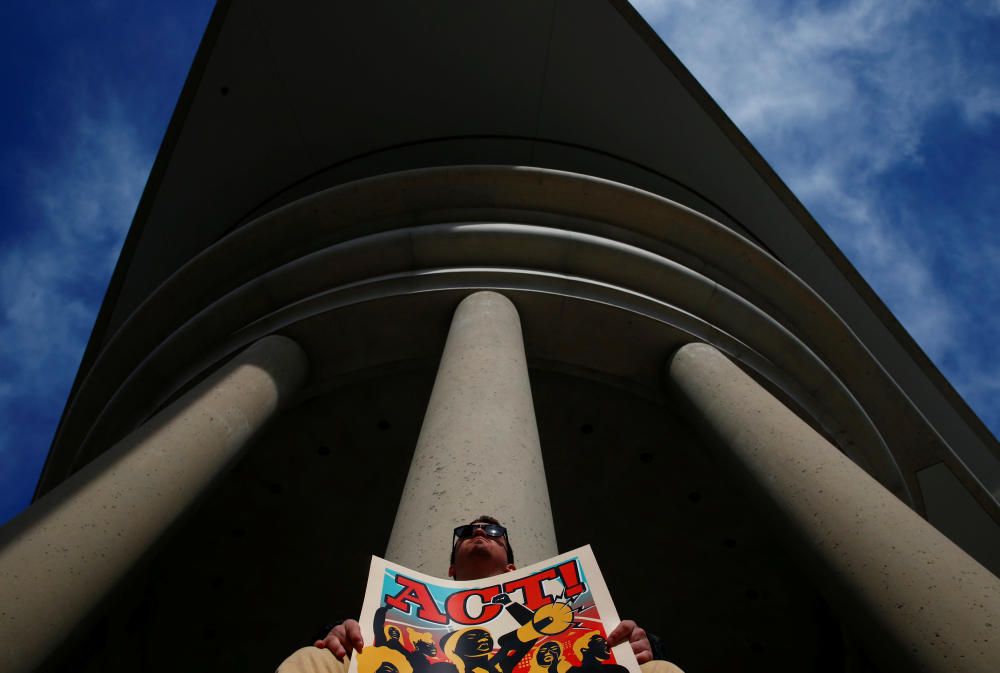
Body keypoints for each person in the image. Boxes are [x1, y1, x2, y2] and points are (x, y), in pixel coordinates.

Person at [277, 516, 685, 673]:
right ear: (451, 570)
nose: (477, 533)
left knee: (658, 672)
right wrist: (341, 634)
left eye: (492, 533)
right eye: (466, 533)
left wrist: (639, 646)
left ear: (511, 566)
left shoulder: (540, 616)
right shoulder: (407, 609)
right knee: (317, 661)